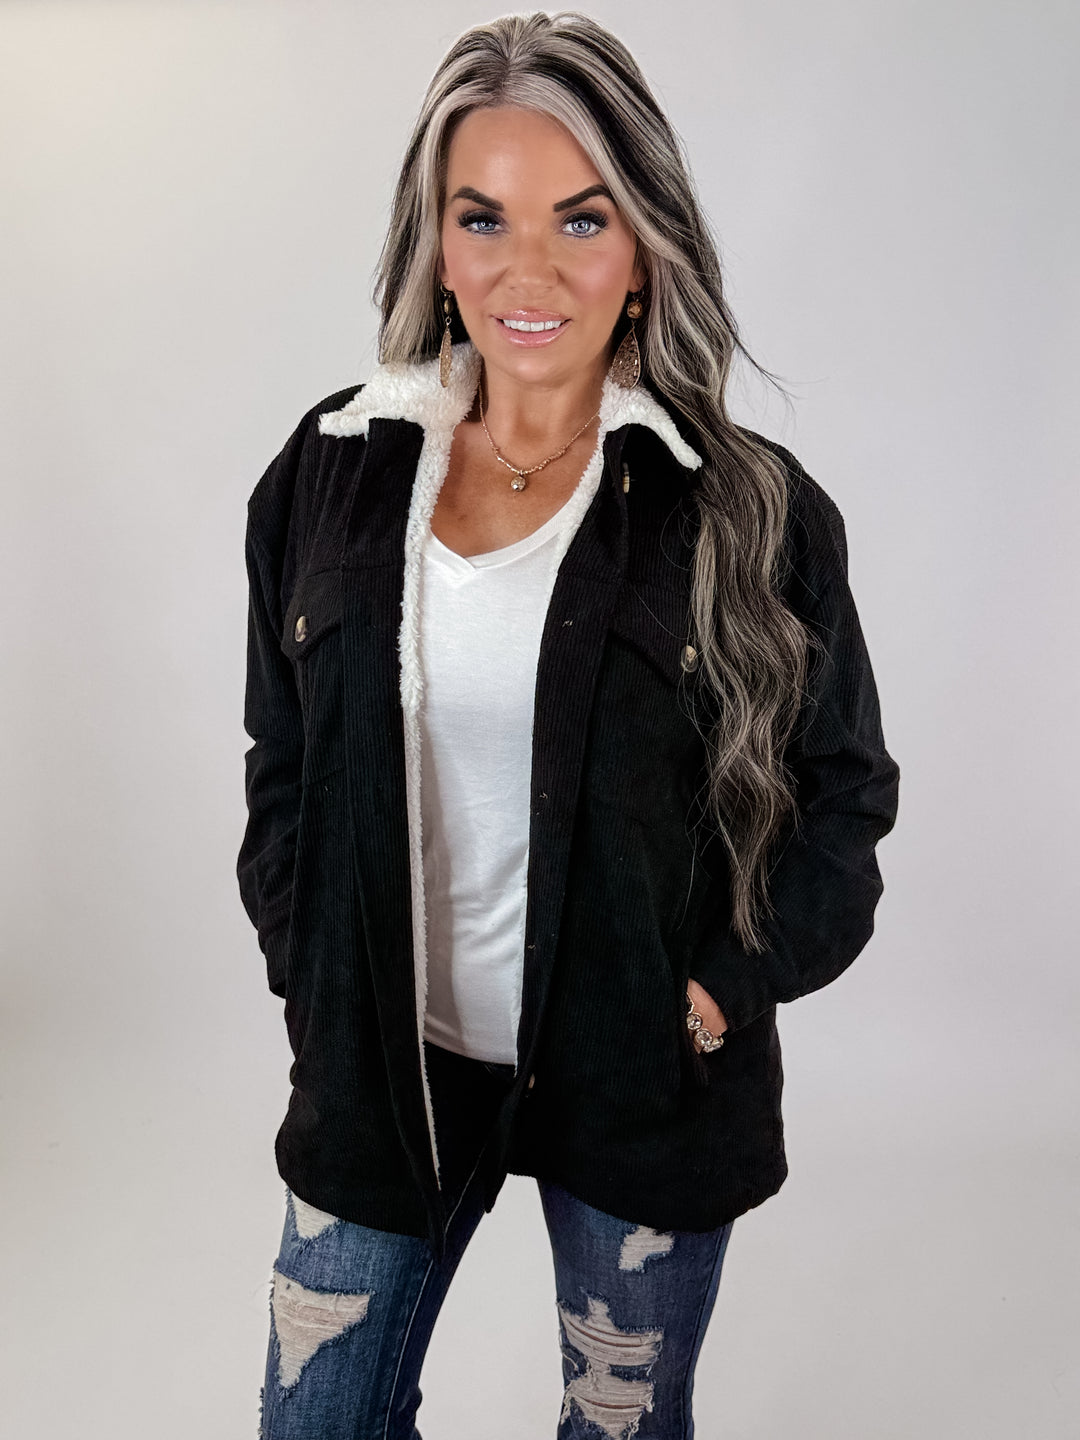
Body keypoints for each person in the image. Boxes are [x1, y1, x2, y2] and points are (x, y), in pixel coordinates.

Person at [237, 11, 900, 1438]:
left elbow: (840, 799)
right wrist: (312, 968)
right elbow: (280, 762)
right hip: (386, 1069)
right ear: (435, 242)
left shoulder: (747, 510)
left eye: (580, 221)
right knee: (316, 1421)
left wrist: (714, 991)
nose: (525, 272)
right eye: (483, 217)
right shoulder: (331, 471)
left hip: (636, 1079)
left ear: (646, 247)